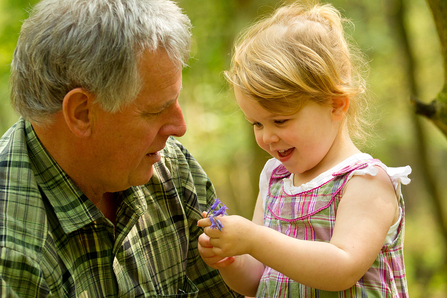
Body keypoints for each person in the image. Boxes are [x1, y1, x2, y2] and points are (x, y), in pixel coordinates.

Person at [0, 0, 244, 297]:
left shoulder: (173, 170)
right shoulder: (12, 257)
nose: (180, 127)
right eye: (156, 111)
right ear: (82, 113)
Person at [197, 2, 411, 297]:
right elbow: (257, 280)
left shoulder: (366, 183)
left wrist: (255, 239)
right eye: (256, 124)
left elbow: (343, 268)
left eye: (280, 120)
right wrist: (232, 259)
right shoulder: (274, 180)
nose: (267, 137)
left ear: (336, 104)